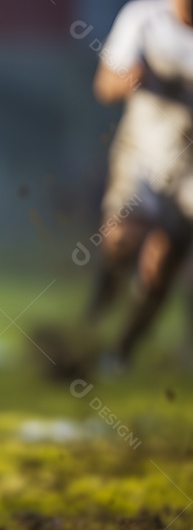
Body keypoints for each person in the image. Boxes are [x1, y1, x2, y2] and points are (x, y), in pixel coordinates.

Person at [86, 0, 193, 371]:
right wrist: (129, 78)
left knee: (161, 263)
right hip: (143, 148)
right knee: (121, 238)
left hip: (189, 166)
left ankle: (122, 352)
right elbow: (105, 84)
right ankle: (94, 316)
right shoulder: (143, 18)